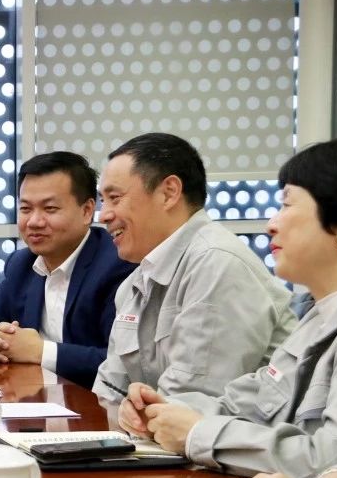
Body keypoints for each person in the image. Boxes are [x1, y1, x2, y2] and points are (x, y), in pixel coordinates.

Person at [117, 138, 337, 478]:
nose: (272, 223)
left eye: (286, 205)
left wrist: (197, 433)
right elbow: (253, 402)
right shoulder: (320, 313)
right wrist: (161, 411)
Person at [92, 132, 296, 406]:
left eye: (115, 198)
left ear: (169, 193)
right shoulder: (135, 281)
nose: (104, 214)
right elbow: (109, 390)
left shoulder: (217, 263)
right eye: (103, 201)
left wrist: (131, 414)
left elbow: (193, 403)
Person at [0, 151, 133, 388]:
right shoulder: (23, 264)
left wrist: (39, 351)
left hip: (95, 404)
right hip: (35, 398)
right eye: (26, 209)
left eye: (50, 208)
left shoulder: (117, 265)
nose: (34, 221)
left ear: (87, 211)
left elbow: (122, 366)